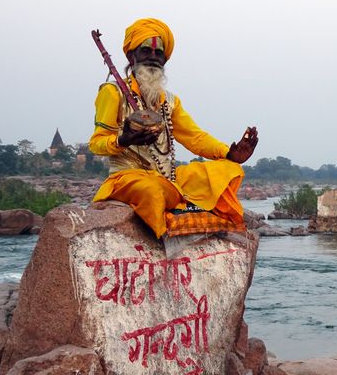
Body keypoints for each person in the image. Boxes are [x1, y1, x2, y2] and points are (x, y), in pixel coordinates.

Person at [89, 18, 258, 239]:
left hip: (169, 177)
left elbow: (194, 137)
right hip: (128, 178)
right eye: (145, 51)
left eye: (158, 53)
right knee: (152, 190)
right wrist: (123, 140)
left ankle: (184, 209)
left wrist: (229, 153)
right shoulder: (112, 93)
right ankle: (169, 229)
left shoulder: (170, 101)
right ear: (131, 57)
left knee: (228, 170)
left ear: (165, 59)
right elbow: (96, 144)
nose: (152, 57)